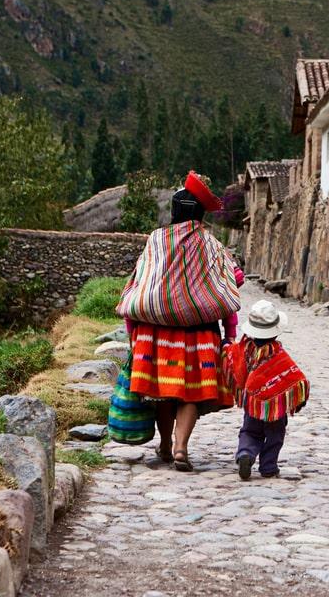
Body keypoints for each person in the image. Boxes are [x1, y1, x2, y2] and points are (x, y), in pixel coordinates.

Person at [122, 172, 237, 472]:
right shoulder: (211, 246)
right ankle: (181, 447)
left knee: (163, 392)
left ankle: (164, 444)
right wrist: (229, 335)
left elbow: (139, 283)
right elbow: (226, 290)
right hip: (199, 334)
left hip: (155, 333)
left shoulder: (156, 241)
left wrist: (132, 332)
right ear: (200, 213)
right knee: (190, 393)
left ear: (174, 211)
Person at [223, 300, 310, 480]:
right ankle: (268, 466)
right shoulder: (277, 353)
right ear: (275, 331)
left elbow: (231, 356)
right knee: (275, 436)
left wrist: (225, 344)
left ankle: (246, 454)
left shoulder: (245, 349)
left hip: (252, 404)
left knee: (249, 431)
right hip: (275, 409)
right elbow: (295, 378)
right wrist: (299, 399)